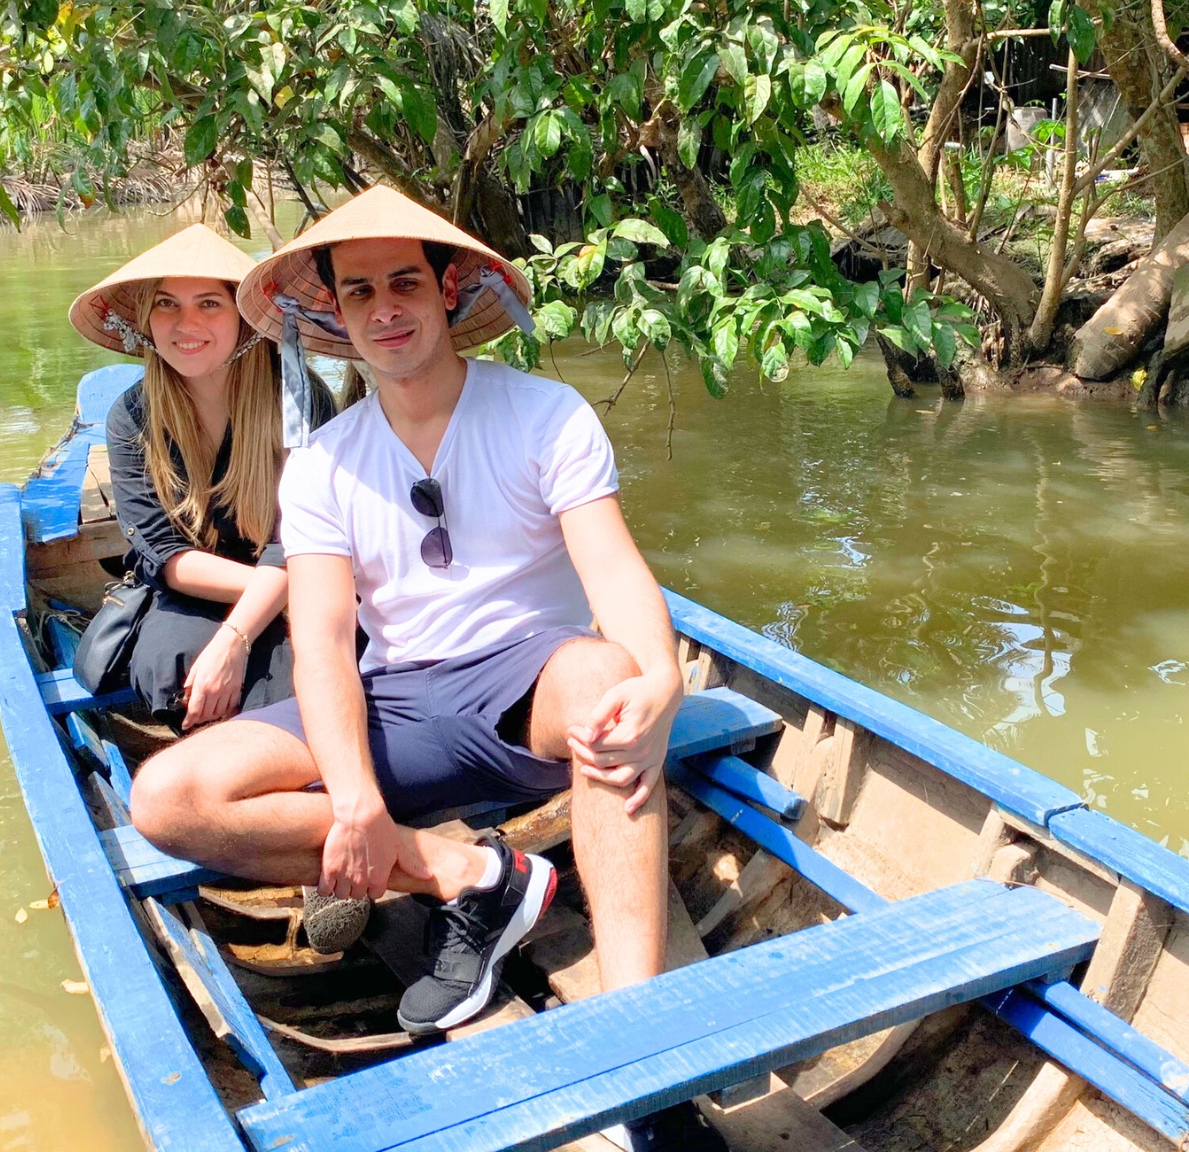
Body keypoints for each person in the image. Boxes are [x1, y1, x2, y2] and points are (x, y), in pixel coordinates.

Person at [128, 188, 726, 1150]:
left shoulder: (545, 415)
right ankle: (471, 874)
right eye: (360, 292)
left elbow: (613, 568)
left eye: (406, 282)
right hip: (395, 701)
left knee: (610, 686)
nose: (386, 308)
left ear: (450, 291)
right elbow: (323, 641)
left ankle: (637, 1056)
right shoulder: (321, 463)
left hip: (527, 686)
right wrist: (358, 799)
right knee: (170, 796)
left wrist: (660, 681)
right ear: (334, 312)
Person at [70, 223, 351, 733]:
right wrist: (275, 598)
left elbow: (302, 537)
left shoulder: (300, 402)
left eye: (208, 304)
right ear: (147, 320)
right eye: (166, 305)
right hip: (201, 591)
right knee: (172, 667)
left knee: (313, 677)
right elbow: (167, 557)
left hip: (302, 575)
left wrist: (237, 636)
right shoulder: (133, 415)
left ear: (244, 317)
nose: (185, 324)